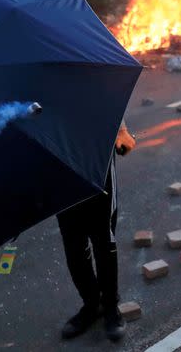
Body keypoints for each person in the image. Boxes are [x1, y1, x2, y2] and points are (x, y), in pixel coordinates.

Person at [57, 120, 136, 342]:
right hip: (60, 167)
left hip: (97, 162)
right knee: (73, 246)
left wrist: (121, 131)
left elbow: (107, 93)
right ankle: (92, 305)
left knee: (104, 242)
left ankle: (110, 306)